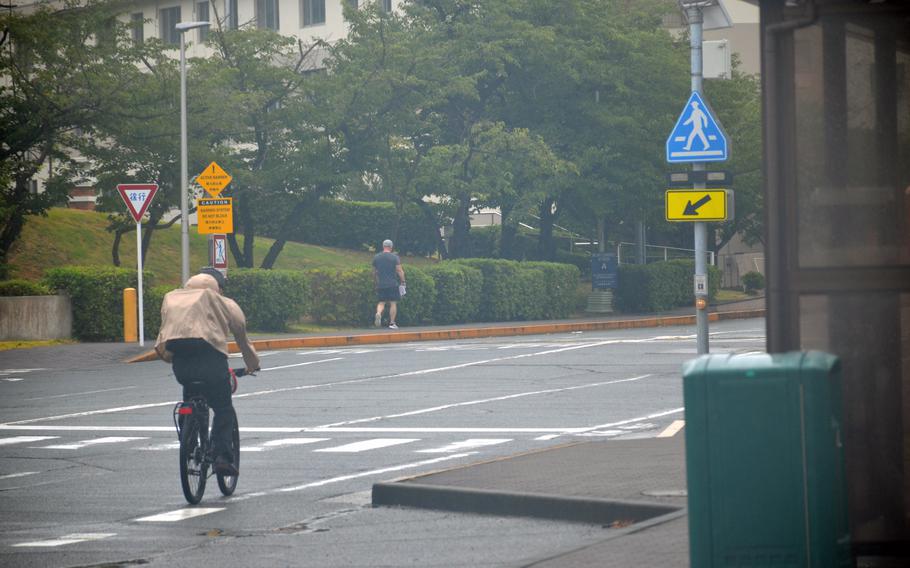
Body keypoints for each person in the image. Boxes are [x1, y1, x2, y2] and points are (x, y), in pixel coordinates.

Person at [155, 267, 259, 476]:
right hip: (212, 363)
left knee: (190, 396)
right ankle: (222, 457)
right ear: (217, 288)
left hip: (181, 365)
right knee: (223, 409)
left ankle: (189, 443)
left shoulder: (173, 300)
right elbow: (242, 338)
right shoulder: (225, 302)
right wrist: (252, 364)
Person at [372, 239, 406, 329]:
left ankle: (378, 313)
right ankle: (392, 323)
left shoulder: (377, 257)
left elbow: (374, 272)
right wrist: (403, 281)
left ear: (383, 246)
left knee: (381, 302)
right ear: (391, 247)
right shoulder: (394, 257)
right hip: (392, 284)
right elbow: (399, 270)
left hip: (381, 284)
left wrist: (376, 282)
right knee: (393, 303)